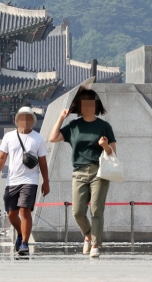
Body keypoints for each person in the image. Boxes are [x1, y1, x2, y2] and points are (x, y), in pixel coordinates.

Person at [49, 88, 116, 258]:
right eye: (84, 103)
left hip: (99, 171)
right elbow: (53, 138)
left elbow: (113, 152)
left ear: (96, 105)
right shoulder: (74, 126)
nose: (87, 106)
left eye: (91, 103)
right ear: (79, 106)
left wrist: (104, 146)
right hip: (79, 172)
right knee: (78, 212)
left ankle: (95, 245)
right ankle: (87, 235)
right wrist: (61, 117)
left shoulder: (104, 126)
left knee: (96, 210)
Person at [0, 106, 50, 255]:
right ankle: (20, 234)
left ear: (33, 121)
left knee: (24, 211)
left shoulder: (38, 138)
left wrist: (46, 181)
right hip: (12, 180)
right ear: (17, 120)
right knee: (11, 214)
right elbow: (2, 157)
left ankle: (24, 243)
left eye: (28, 118)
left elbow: (42, 162)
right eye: (22, 118)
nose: (25, 120)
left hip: (30, 179)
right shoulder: (8, 137)